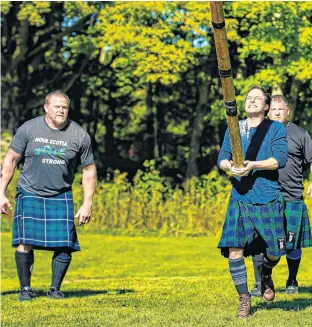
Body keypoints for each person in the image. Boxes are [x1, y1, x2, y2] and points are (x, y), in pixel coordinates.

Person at [0, 90, 97, 301]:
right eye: (57, 106)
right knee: (25, 241)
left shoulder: (79, 135)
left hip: (60, 193)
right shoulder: (29, 129)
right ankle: (25, 289)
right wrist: (1, 192)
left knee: (64, 243)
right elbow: (10, 160)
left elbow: (89, 170)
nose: (61, 110)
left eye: (64, 107)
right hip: (29, 191)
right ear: (46, 108)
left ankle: (55, 289)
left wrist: (87, 203)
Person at [217, 85, 288, 318]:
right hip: (240, 196)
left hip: (268, 196)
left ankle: (266, 273)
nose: (252, 101)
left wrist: (252, 165)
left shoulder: (275, 128)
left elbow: (279, 160)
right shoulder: (234, 127)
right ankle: (244, 299)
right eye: (249, 98)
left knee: (276, 251)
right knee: (234, 248)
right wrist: (232, 167)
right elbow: (222, 158)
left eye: (258, 98)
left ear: (266, 106)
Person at [251, 95, 312, 297]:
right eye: (273, 109)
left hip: (293, 195)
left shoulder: (300, 134)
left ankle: (292, 280)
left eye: (281, 109)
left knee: (292, 242)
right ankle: (260, 282)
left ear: (288, 111)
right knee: (261, 241)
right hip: (266, 196)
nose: (277, 112)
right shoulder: (260, 133)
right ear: (268, 112)